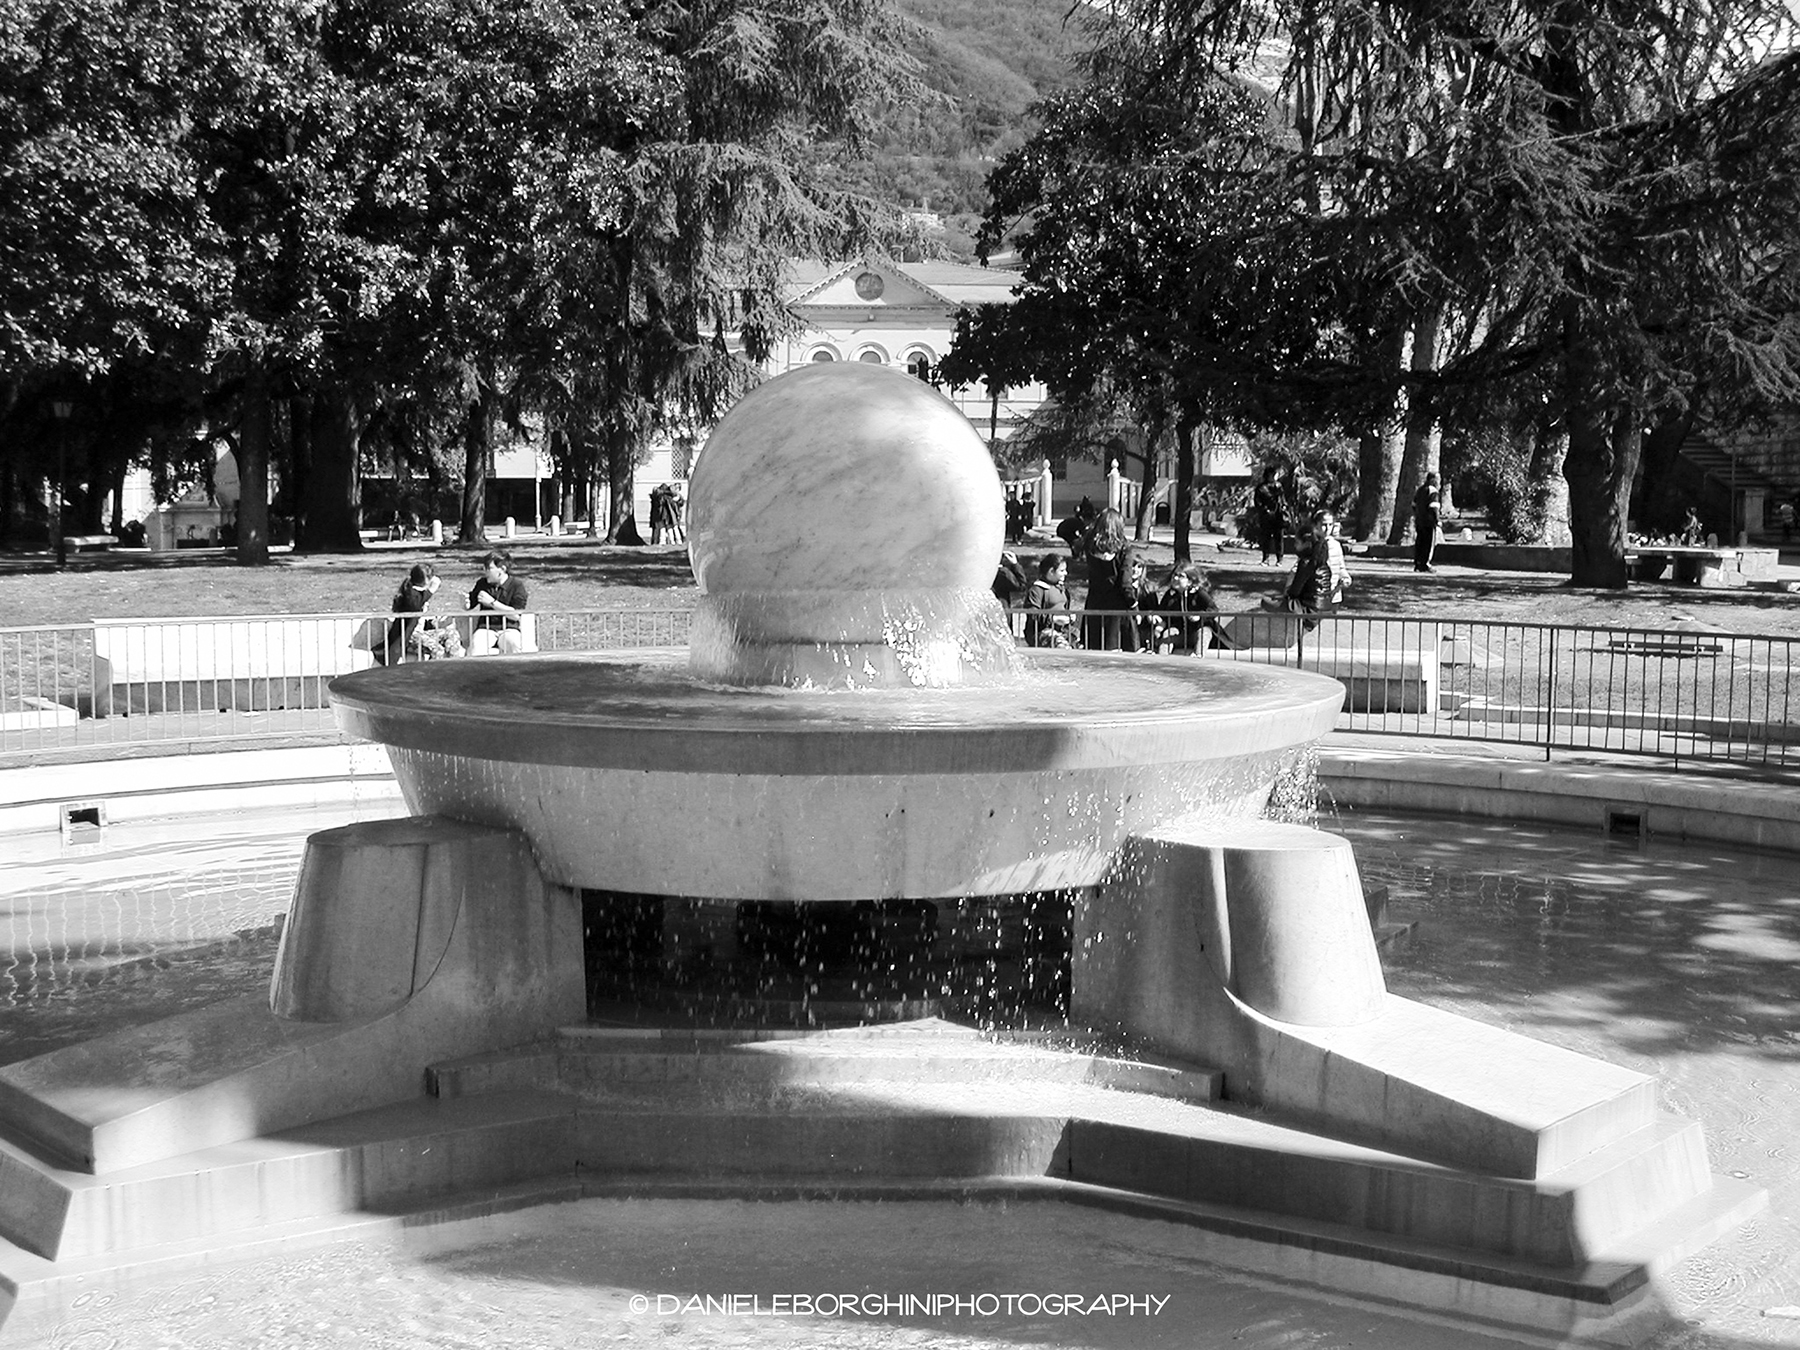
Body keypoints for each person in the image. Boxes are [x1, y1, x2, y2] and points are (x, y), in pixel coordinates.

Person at [1080, 507, 1141, 652]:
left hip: (1095, 603)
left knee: (1094, 650)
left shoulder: (1090, 545)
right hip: (1117, 608)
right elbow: (1125, 582)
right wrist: (1133, 604)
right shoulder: (1125, 549)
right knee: (1118, 653)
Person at [388, 563, 464, 662]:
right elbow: (416, 605)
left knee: (452, 633)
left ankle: (454, 664)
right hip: (410, 636)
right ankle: (433, 675)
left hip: (422, 633)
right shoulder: (410, 593)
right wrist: (432, 589)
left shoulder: (419, 593)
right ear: (425, 579)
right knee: (438, 650)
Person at [1158, 561, 1230, 654]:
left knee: (1204, 632)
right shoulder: (1170, 595)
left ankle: (1198, 658)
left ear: (1190, 581)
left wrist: (1199, 616)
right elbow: (1161, 612)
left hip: (1196, 632)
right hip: (1179, 633)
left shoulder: (1199, 593)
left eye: (1181, 576)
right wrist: (1158, 620)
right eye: (1174, 575)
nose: (1175, 578)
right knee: (1168, 633)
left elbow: (1214, 610)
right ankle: (1161, 659)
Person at [467, 549, 530, 655]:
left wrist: (492, 603)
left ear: (502, 569)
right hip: (486, 628)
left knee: (515, 644)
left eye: (489, 568)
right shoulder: (482, 584)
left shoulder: (516, 586)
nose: (486, 572)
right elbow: (470, 604)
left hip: (509, 628)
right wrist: (465, 603)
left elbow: (515, 615)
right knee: (476, 646)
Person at [1022, 554, 1075, 647]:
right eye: (1062, 570)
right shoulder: (1037, 589)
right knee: (1062, 646)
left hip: (1062, 630)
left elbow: (1065, 608)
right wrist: (1054, 619)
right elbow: (1032, 613)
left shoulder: (1062, 588)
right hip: (1040, 632)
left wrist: (1070, 617)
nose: (1066, 573)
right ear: (1051, 571)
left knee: (1081, 645)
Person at [1253, 465, 1286, 566]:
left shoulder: (1279, 486)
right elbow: (1257, 502)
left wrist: (1284, 507)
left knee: (1279, 538)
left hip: (1278, 516)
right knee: (1266, 538)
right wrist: (1265, 510)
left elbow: (1283, 499)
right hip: (1266, 517)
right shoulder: (1261, 488)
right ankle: (1265, 559)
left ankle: (1279, 559)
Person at [1320, 510, 1352, 606]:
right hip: (1315, 596)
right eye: (1324, 525)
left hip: (1334, 596)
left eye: (1330, 525)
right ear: (1315, 525)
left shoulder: (1336, 545)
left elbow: (1340, 568)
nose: (1327, 528)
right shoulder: (1310, 544)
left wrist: (1346, 579)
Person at [1412, 472, 1440, 572]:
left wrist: (1418, 515)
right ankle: (1426, 564)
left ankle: (1418, 563)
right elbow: (1434, 507)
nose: (1438, 481)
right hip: (1429, 522)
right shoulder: (1433, 491)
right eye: (1437, 479)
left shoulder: (1420, 490)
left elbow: (1414, 505)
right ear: (1433, 480)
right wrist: (1437, 520)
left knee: (1419, 542)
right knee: (1428, 543)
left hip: (1419, 521)